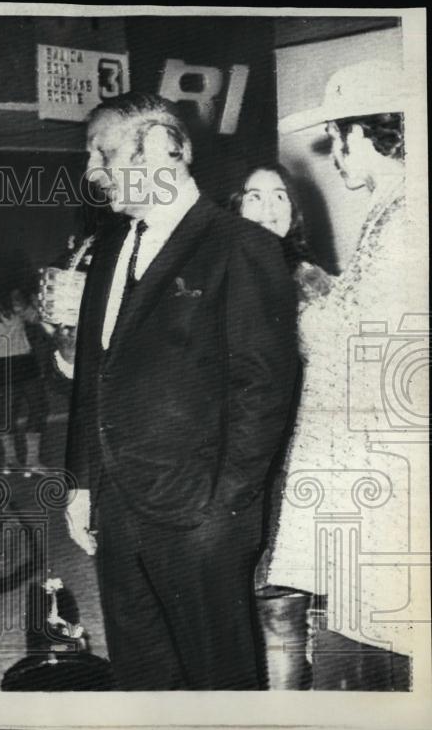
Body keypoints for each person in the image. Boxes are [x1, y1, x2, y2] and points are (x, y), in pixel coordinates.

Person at [54, 93, 299, 690]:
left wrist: (222, 508)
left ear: (164, 148)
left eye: (104, 154)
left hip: (201, 515)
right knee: (142, 674)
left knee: (221, 684)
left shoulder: (242, 246)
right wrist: (82, 483)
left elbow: (265, 390)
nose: (92, 171)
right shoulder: (110, 248)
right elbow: (95, 373)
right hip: (117, 506)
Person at [270, 60, 424, 682]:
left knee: (378, 645)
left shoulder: (404, 217)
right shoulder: (395, 209)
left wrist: (293, 300)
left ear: (362, 133)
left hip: (385, 469)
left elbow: (367, 346)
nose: (334, 155)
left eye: (336, 137)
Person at [229, 163, 332, 302]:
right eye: (255, 197)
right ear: (238, 208)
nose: (267, 208)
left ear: (292, 213)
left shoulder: (311, 279)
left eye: (279, 197)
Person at [0, 277, 49, 475]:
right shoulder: (16, 298)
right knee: (38, 407)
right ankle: (31, 461)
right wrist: (37, 301)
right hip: (21, 358)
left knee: (8, 410)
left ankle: (10, 460)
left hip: (0, 360)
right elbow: (36, 318)